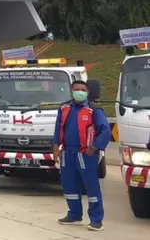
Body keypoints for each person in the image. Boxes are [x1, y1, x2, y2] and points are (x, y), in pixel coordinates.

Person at [52, 80, 110, 231]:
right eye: (76, 89)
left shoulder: (94, 110)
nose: (79, 91)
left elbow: (105, 131)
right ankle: (74, 215)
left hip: (85, 154)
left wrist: (95, 147)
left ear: (87, 92)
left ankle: (96, 220)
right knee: (69, 185)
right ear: (71, 91)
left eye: (82, 89)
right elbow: (58, 128)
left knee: (91, 188)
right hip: (67, 153)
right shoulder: (64, 108)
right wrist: (55, 148)